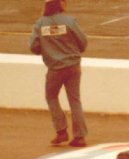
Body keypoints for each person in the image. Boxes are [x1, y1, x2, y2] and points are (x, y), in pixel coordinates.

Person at [29, 0, 88, 147]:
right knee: (75, 100)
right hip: (73, 66)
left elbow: (34, 47)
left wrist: (48, 48)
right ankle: (79, 137)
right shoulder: (69, 20)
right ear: (60, 4)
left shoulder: (40, 24)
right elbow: (83, 42)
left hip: (55, 68)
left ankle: (61, 131)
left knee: (51, 97)